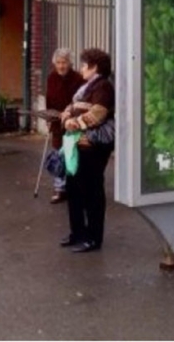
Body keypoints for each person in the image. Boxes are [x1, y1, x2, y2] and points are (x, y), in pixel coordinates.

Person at [60, 48, 115, 253]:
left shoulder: (104, 87)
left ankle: (93, 237)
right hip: (77, 144)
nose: (81, 68)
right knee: (73, 187)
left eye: (84, 65)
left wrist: (74, 122)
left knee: (92, 190)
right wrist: (66, 115)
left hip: (93, 146)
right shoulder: (87, 87)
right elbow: (72, 105)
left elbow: (98, 113)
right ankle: (77, 233)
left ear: (94, 68)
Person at [45, 48, 84, 203]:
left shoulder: (78, 78)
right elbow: (49, 98)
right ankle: (60, 188)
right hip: (56, 121)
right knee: (58, 154)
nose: (61, 66)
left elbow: (80, 101)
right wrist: (49, 117)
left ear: (70, 63)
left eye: (64, 62)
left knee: (73, 153)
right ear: (55, 63)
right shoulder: (51, 78)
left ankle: (74, 187)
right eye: (59, 63)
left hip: (73, 121)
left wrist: (70, 113)